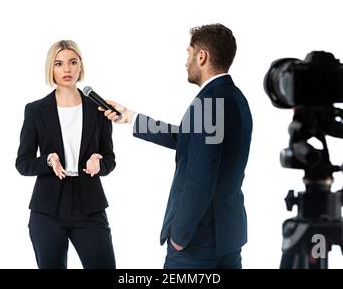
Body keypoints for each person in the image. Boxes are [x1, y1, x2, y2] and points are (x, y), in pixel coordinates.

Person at [101, 24, 253, 269]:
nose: (186, 62)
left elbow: (201, 177)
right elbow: (191, 139)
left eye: (189, 53)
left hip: (196, 242)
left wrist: (180, 235)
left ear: (201, 56)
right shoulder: (235, 97)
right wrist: (131, 117)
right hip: (228, 237)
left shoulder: (209, 102)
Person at [15, 40, 116, 269]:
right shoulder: (35, 110)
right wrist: (48, 161)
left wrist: (98, 162)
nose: (67, 69)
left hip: (90, 206)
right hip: (47, 210)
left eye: (73, 62)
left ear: (81, 66)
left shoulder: (98, 109)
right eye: (59, 64)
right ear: (51, 69)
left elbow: (109, 160)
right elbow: (23, 163)